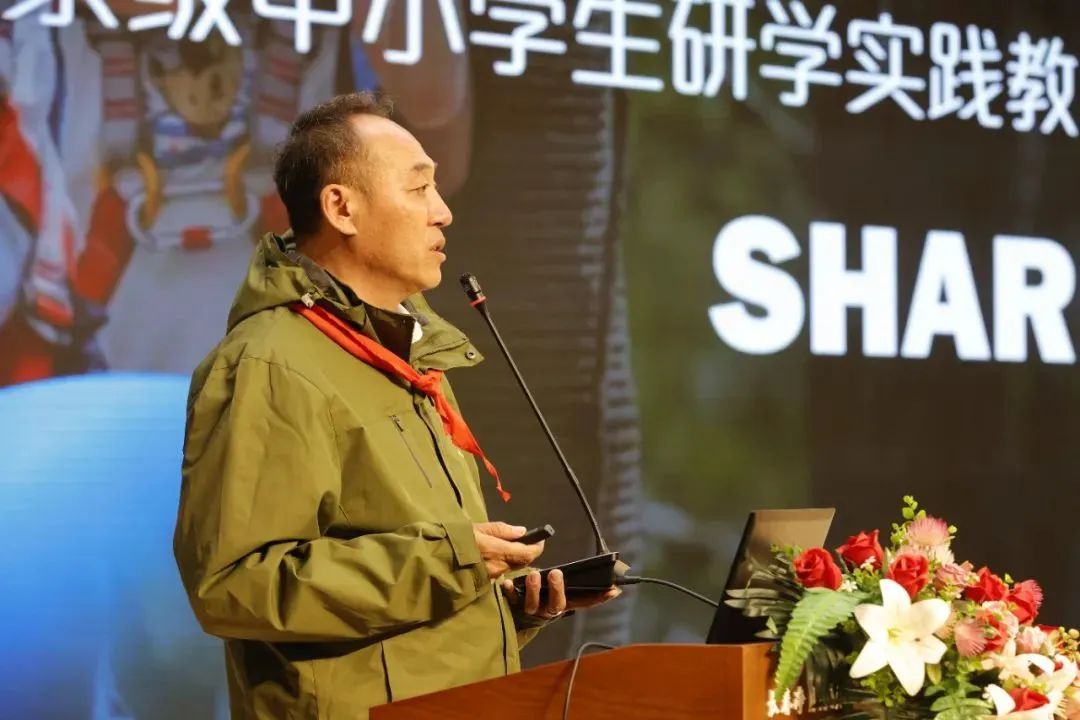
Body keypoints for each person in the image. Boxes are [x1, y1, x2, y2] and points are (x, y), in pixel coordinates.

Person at [174, 91, 620, 719]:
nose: (443, 212)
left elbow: (405, 601)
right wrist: (451, 560)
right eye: (418, 189)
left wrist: (505, 605)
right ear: (341, 207)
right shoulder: (269, 363)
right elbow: (236, 585)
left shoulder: (408, 356)